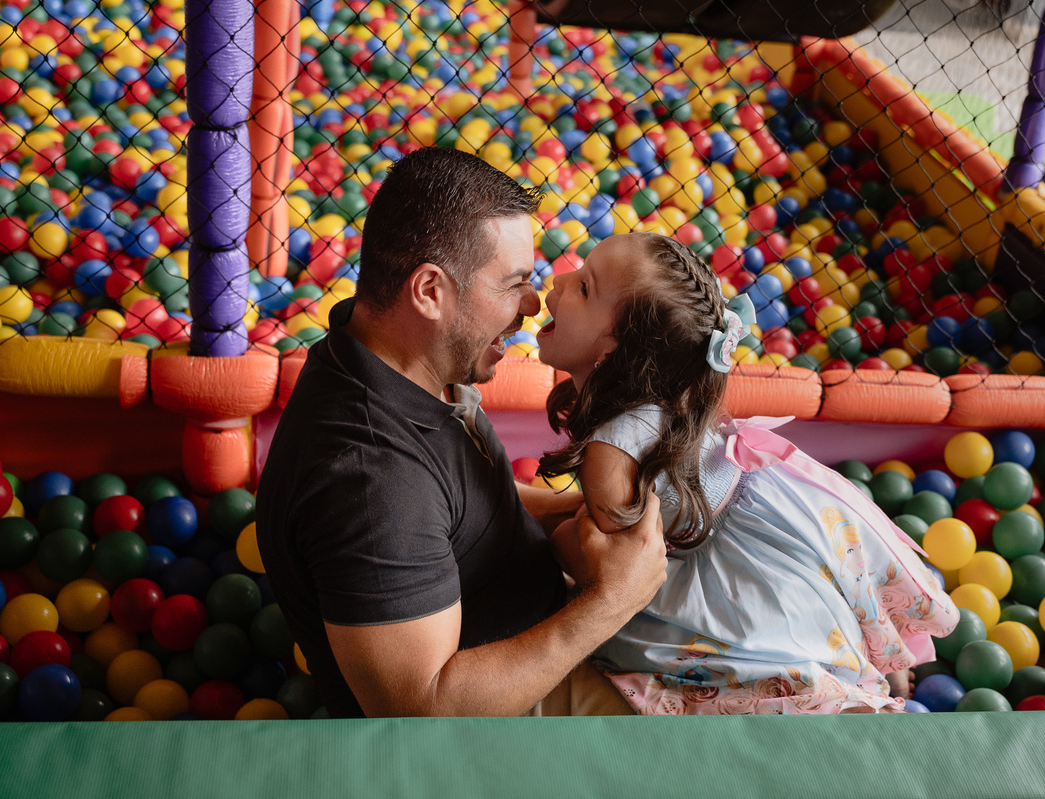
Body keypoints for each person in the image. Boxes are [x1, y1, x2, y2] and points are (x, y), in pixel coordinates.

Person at [254, 148, 668, 718]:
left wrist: (580, 510)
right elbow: (422, 708)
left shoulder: (403, 359)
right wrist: (611, 602)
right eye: (513, 284)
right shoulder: (372, 477)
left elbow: (452, 504)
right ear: (429, 291)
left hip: (538, 628)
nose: (534, 301)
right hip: (496, 721)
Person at [535, 232, 961, 714]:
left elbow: (610, 563)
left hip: (731, 573)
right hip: (766, 538)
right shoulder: (662, 400)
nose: (560, 278)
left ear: (613, 348)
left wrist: (539, 541)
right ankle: (862, 668)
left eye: (585, 288)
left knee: (768, 673)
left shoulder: (613, 453)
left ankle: (851, 697)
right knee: (807, 631)